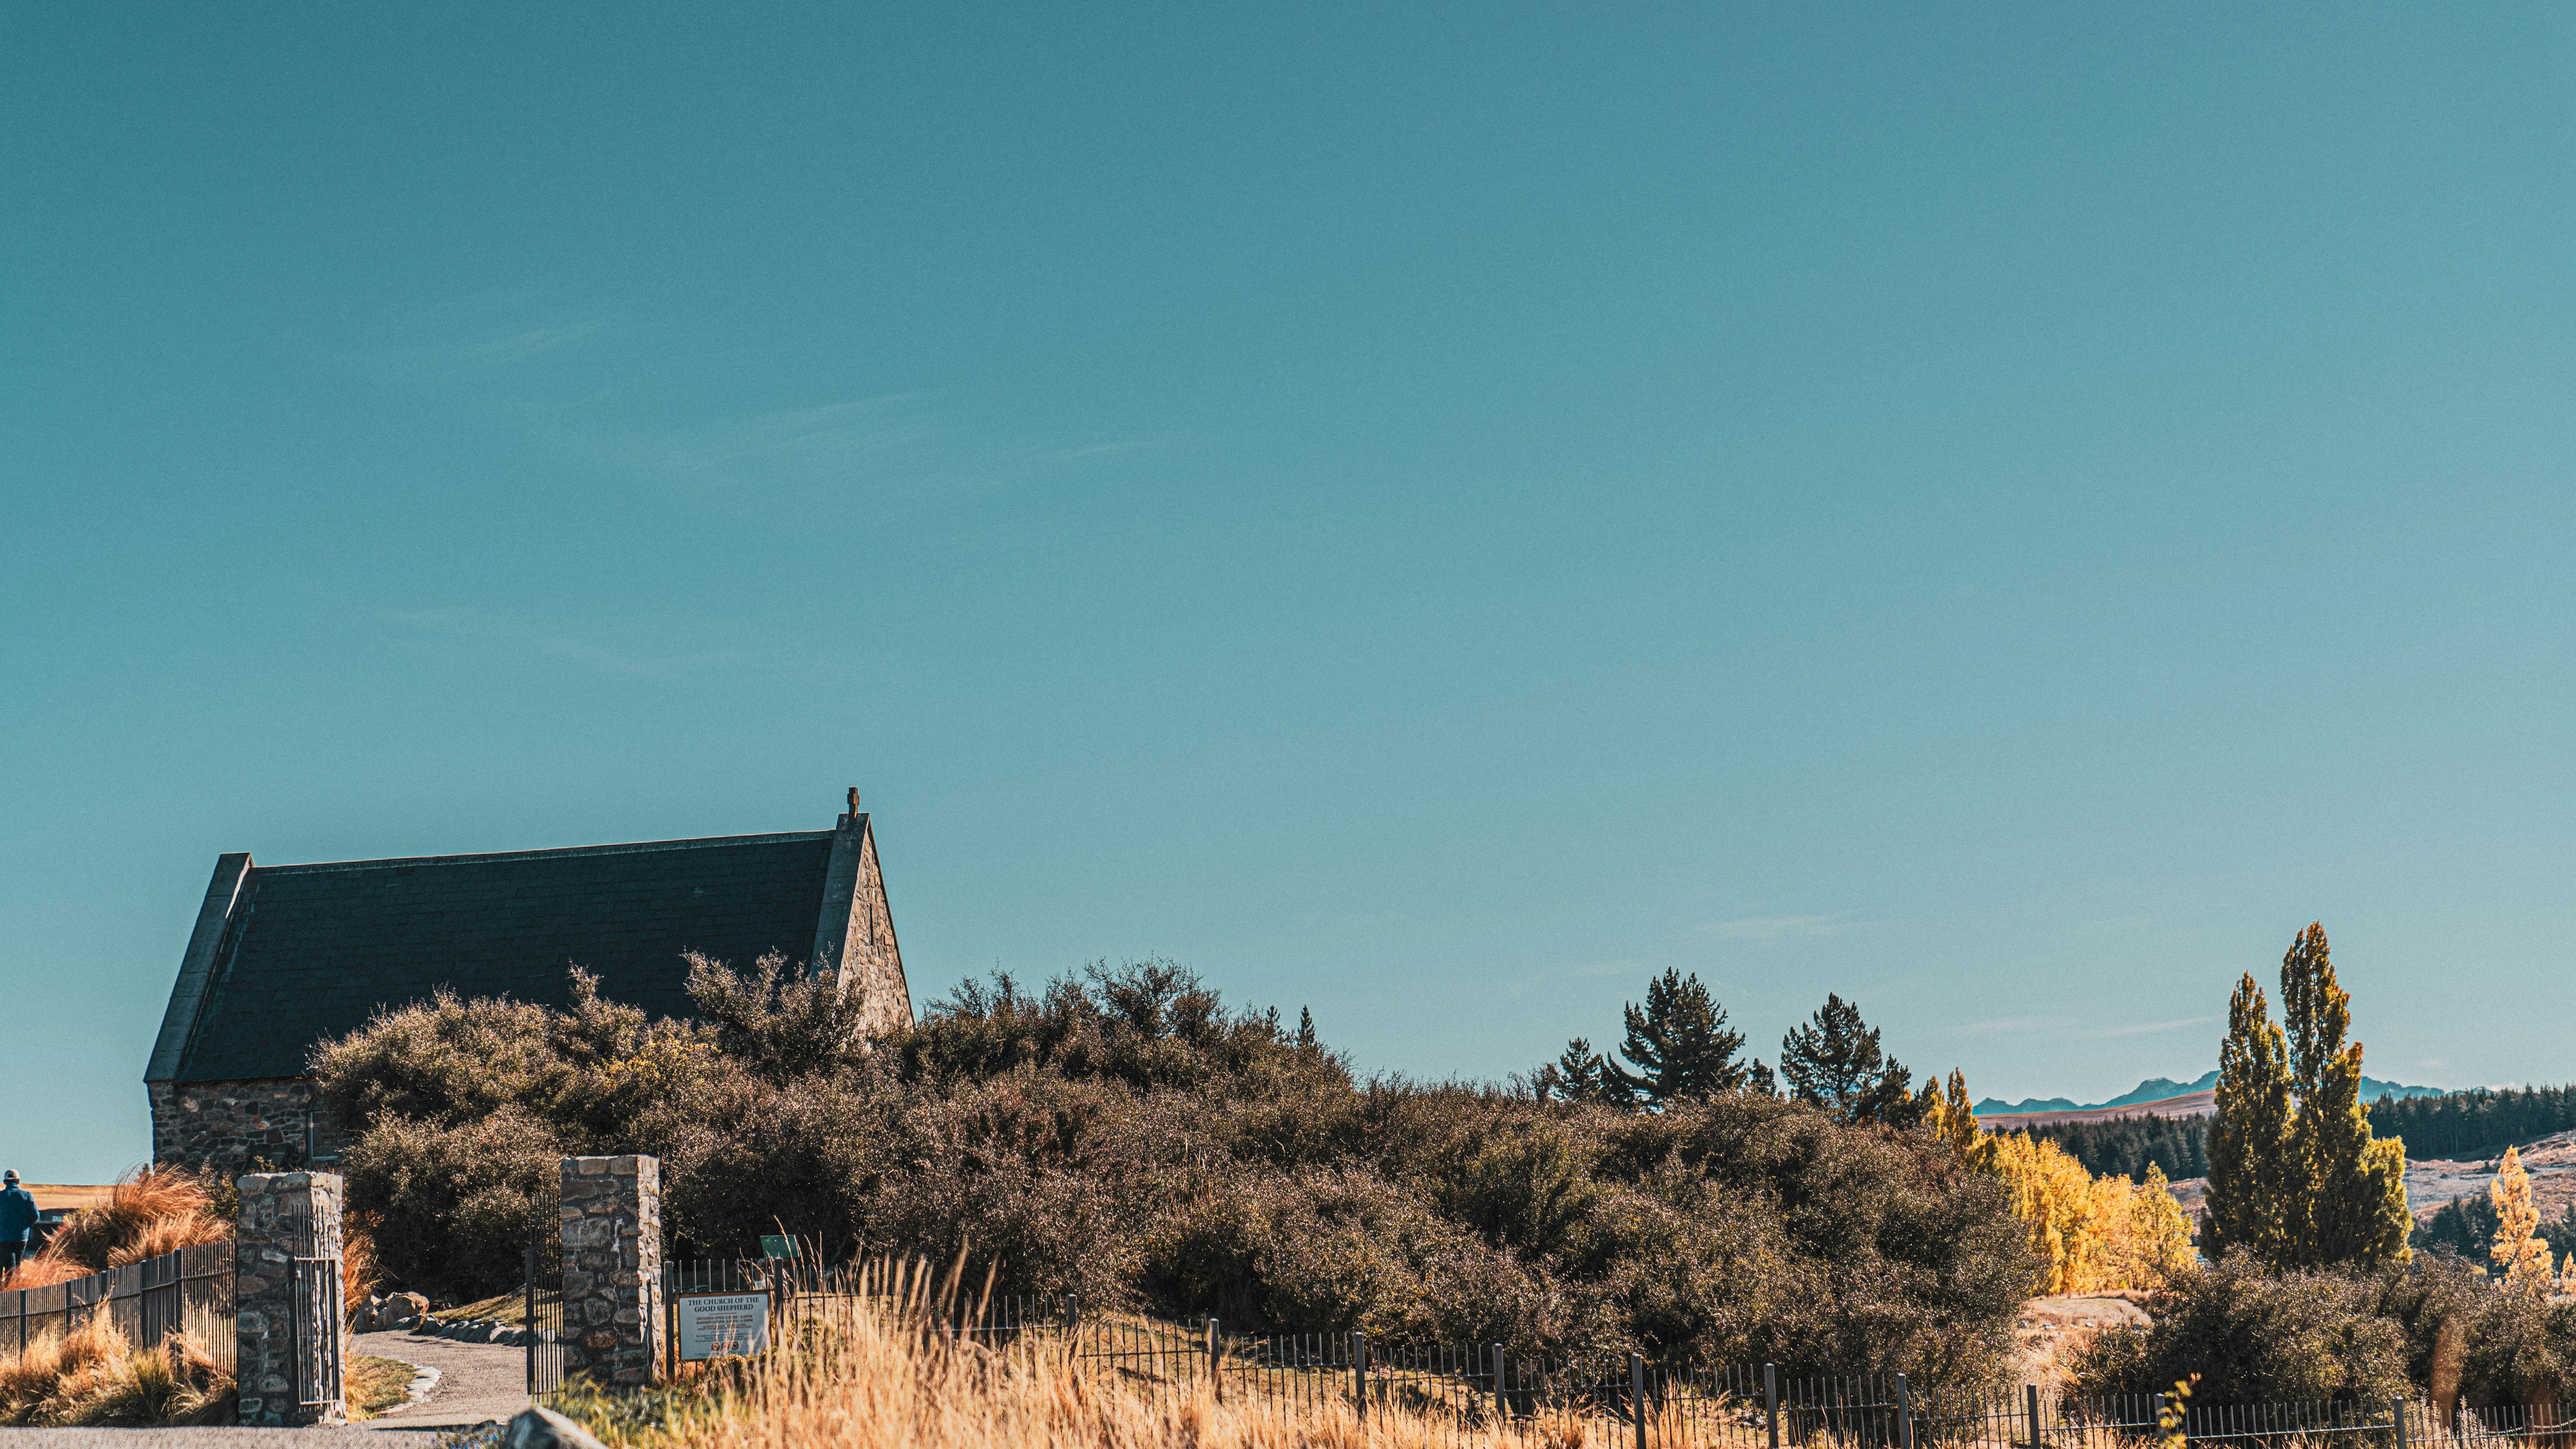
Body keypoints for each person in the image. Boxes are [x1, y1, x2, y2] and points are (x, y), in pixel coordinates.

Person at [0, 1171, 35, 1275]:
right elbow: (36, 1215)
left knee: (10, 1266)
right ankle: (16, 1288)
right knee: (17, 1265)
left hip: (4, 1237)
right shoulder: (27, 1195)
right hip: (21, 1237)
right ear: (18, 1181)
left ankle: (8, 1290)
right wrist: (26, 1226)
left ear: (5, 1182)